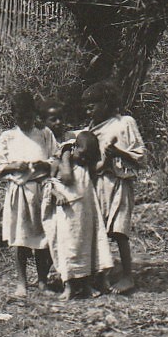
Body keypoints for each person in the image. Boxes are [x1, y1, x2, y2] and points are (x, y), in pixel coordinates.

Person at [0, 91, 57, 295]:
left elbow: (57, 157)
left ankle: (43, 281)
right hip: (19, 192)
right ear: (14, 116)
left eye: (29, 116)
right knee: (20, 238)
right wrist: (14, 166)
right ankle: (22, 283)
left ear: (34, 114)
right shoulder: (8, 137)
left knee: (43, 238)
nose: (26, 121)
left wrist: (44, 163)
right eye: (21, 117)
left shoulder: (44, 133)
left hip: (41, 190)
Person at [85, 83, 146, 295]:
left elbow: (140, 157)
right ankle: (101, 274)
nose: (89, 110)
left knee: (119, 231)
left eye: (93, 105)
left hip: (119, 183)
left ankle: (128, 275)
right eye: (87, 106)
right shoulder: (92, 128)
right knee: (99, 230)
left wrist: (118, 152)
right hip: (99, 184)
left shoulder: (124, 123)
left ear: (106, 103)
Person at [42, 128, 107, 299]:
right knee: (67, 249)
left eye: (88, 157)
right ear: (74, 148)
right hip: (66, 214)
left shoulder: (85, 166)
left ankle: (86, 286)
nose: (84, 159)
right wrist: (58, 194)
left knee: (85, 248)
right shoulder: (60, 163)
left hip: (83, 215)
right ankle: (68, 287)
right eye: (82, 154)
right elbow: (48, 182)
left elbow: (99, 165)